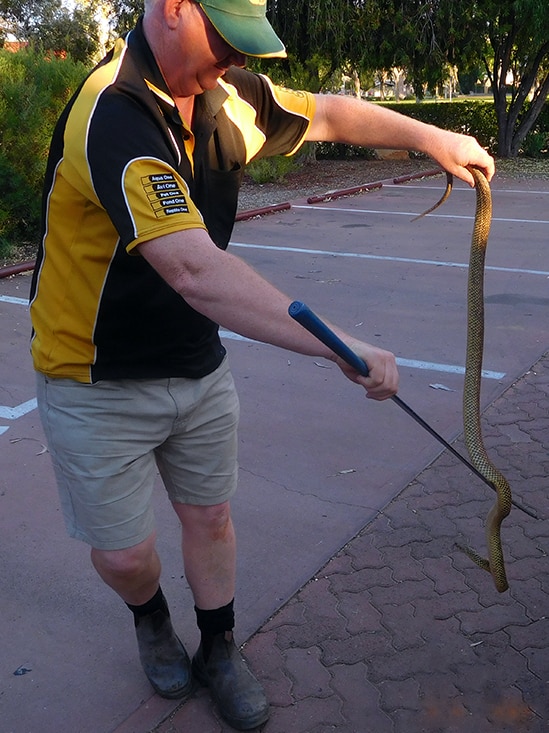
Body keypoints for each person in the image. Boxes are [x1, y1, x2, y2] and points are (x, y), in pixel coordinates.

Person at [29, 0, 495, 729]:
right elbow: (191, 269)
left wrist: (429, 135)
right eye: (226, 40)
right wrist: (345, 346)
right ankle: (150, 618)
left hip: (195, 361)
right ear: (173, 9)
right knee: (124, 556)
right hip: (93, 375)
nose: (236, 60)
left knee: (211, 516)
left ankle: (219, 646)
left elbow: (332, 114)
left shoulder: (229, 96)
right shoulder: (113, 114)